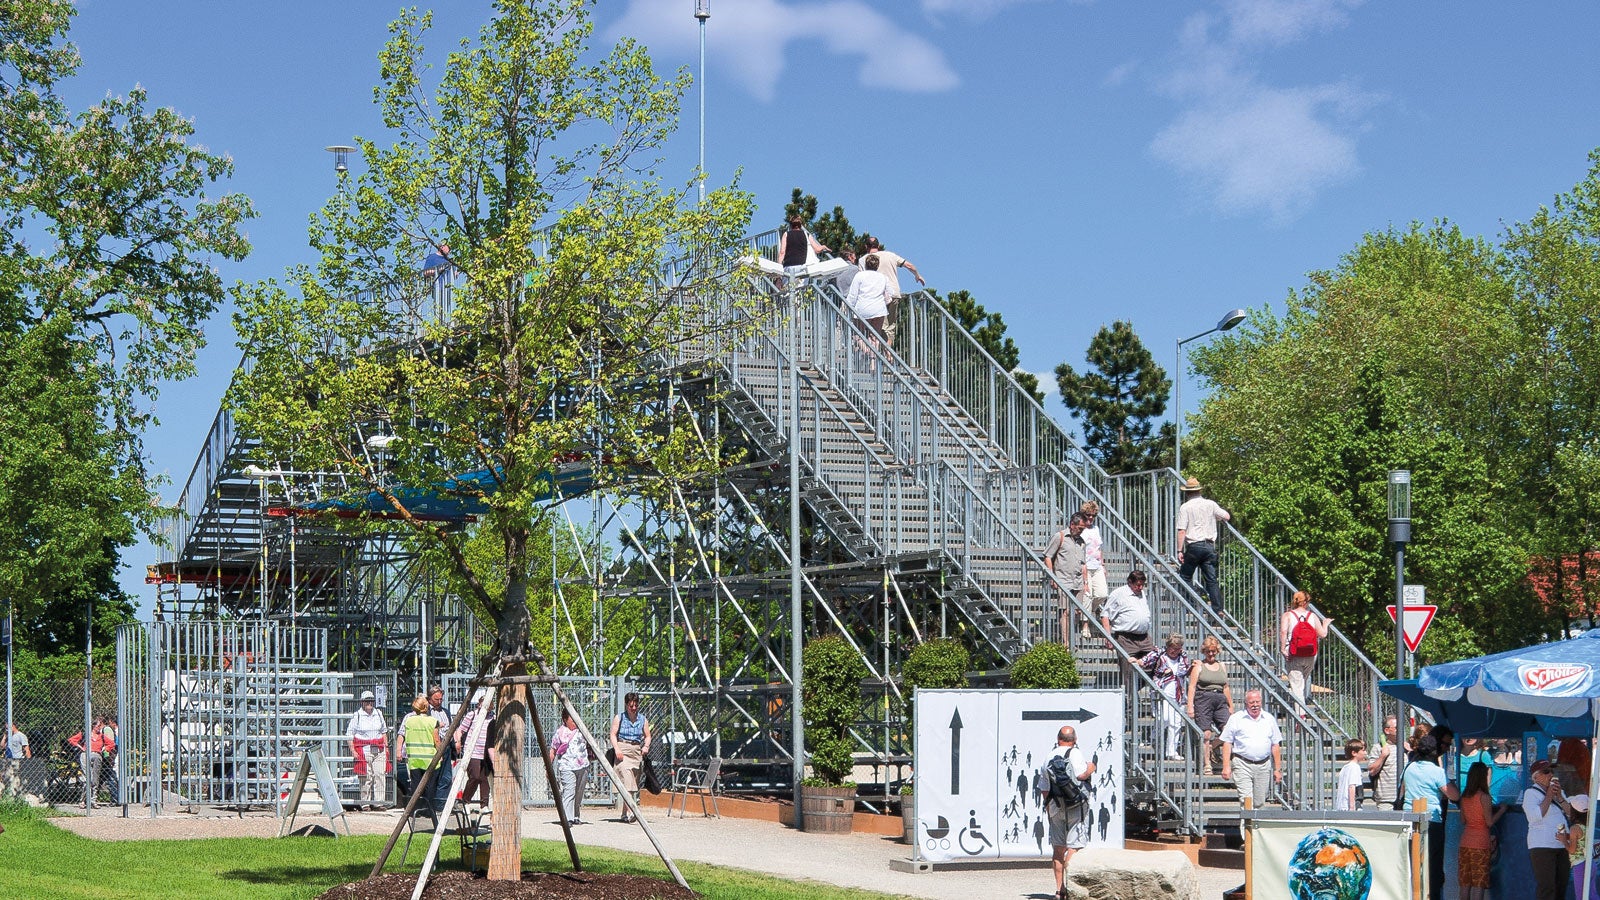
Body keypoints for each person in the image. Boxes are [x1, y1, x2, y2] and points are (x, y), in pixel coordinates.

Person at [1035, 725, 1095, 900]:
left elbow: (1044, 788)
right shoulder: (1075, 753)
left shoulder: (1049, 756)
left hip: (1055, 806)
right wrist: (1092, 767)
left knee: (1058, 849)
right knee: (1075, 847)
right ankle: (1071, 888)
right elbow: (1081, 775)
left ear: (1058, 739)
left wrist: (1048, 808)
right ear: (1075, 740)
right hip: (1076, 807)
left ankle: (1059, 890)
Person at [1405, 735, 1460, 900]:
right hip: (1431, 820)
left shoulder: (1409, 768)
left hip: (1410, 819)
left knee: (1414, 862)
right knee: (1432, 864)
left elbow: (1402, 792)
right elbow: (1454, 795)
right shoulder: (1436, 772)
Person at [1174, 477, 1230, 613]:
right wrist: (1215, 517)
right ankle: (1218, 609)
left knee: (1185, 577)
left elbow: (1182, 530)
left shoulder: (1185, 507)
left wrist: (1179, 550)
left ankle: (1194, 604)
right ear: (1199, 491)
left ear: (1187, 493)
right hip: (1209, 546)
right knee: (1211, 579)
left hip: (1194, 547)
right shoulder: (1210, 504)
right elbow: (1226, 516)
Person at [1219, 690, 1283, 809]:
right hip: (1242, 763)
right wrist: (1226, 766)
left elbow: (1275, 744)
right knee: (1246, 801)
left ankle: (1256, 827)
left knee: (1259, 802)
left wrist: (1277, 769)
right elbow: (1227, 742)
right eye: (1251, 702)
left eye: (1257, 701)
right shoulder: (1236, 719)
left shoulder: (1269, 719)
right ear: (1245, 703)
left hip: (1263, 765)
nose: (1255, 705)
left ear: (1261, 702)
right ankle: (1246, 827)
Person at [860, 235, 924, 347]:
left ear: (866, 246)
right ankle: (888, 352)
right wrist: (917, 275)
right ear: (878, 245)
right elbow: (909, 265)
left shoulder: (863, 259)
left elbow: (862, 278)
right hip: (894, 293)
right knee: (890, 326)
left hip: (878, 295)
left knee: (880, 326)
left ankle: (880, 355)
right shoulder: (890, 255)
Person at [1525, 758, 1575, 900]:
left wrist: (1559, 797)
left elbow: (1572, 814)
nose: (1551, 775)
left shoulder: (1559, 792)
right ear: (1536, 777)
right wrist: (1548, 796)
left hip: (1562, 844)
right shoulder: (1531, 793)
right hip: (1542, 846)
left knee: (1561, 885)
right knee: (1547, 887)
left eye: (1552, 771)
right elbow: (1535, 816)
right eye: (1546, 772)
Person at [1186, 636, 1234, 776]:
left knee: (1228, 731)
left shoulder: (1222, 666)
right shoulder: (1199, 666)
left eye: (1213, 651)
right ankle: (1207, 764)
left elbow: (1226, 687)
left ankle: (1216, 748)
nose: (1211, 654)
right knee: (1206, 733)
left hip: (1220, 699)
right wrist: (1190, 706)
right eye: (1208, 651)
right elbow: (1192, 687)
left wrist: (1230, 705)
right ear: (1204, 651)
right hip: (1203, 698)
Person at [1457, 760, 1504, 900]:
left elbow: (1462, 820)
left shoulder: (1464, 797)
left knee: (1465, 883)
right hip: (1481, 843)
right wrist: (1502, 810)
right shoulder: (1484, 797)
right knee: (1479, 883)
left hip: (1465, 842)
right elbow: (1489, 822)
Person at [1279, 591, 1331, 714]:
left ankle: (1301, 715)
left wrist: (1282, 648)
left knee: (1297, 685)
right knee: (1302, 681)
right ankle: (1302, 710)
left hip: (1293, 653)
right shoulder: (1312, 616)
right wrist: (1326, 624)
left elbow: (1283, 632)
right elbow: (1323, 634)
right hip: (1310, 654)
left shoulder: (1287, 615)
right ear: (1306, 602)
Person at [1140, 634, 1191, 761]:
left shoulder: (1183, 657)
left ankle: (1171, 751)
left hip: (1178, 694)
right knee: (1165, 718)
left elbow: (1185, 671)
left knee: (1176, 723)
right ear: (1167, 646)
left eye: (1177, 648)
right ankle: (1152, 737)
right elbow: (1145, 661)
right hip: (1161, 693)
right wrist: (1138, 661)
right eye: (1172, 648)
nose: (1174, 651)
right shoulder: (1159, 654)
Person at [1043, 513, 1089, 643]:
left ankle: (1071, 638)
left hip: (1078, 581)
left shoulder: (1081, 542)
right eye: (1080, 528)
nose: (1081, 531)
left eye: (1083, 529)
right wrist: (1052, 576)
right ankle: (1066, 643)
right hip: (1063, 580)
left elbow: (1083, 563)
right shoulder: (1060, 536)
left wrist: (1085, 583)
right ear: (1072, 525)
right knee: (1065, 612)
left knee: (1076, 612)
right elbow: (1048, 556)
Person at [609, 692, 652, 823]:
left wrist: (646, 746)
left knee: (632, 784)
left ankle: (624, 813)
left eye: (636, 705)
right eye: (631, 706)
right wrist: (617, 749)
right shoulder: (619, 718)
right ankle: (633, 811)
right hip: (623, 750)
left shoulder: (642, 719)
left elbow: (648, 736)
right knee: (627, 780)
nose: (633, 708)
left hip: (636, 751)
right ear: (626, 705)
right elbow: (612, 734)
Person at [1100, 570, 1155, 666]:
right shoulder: (1119, 593)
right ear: (1130, 582)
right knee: (1128, 670)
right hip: (1126, 639)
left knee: (1152, 664)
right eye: (1138, 585)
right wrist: (1108, 637)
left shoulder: (1141, 593)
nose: (1141, 587)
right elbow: (1105, 615)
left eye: (1143, 585)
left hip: (1144, 638)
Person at [346, 690, 389, 810]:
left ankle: (379, 802)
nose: (369, 703)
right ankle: (365, 802)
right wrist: (353, 750)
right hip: (363, 749)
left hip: (379, 748)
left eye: (371, 700)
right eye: (367, 701)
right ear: (362, 702)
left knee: (380, 775)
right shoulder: (357, 715)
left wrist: (386, 747)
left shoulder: (378, 713)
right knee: (366, 777)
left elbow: (384, 731)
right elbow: (350, 734)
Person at [395, 696, 440, 806]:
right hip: (429, 759)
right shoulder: (432, 721)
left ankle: (414, 808)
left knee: (415, 785)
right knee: (430, 785)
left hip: (414, 758)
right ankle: (428, 809)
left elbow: (402, 734)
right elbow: (437, 740)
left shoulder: (409, 721)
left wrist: (399, 750)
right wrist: (440, 754)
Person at [455, 689, 495, 809]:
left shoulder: (493, 717)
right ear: (479, 704)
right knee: (475, 777)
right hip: (473, 751)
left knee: (485, 779)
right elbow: (460, 730)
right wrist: (458, 741)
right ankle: (465, 801)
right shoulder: (472, 715)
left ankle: (484, 805)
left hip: (486, 752)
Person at [843, 255, 891, 352]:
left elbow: (853, 295)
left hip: (863, 309)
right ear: (877, 265)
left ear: (865, 264)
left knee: (857, 334)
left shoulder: (860, 276)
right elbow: (890, 293)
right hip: (879, 309)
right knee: (875, 337)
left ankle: (866, 351)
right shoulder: (883, 277)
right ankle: (873, 363)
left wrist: (847, 307)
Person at [551, 708, 591, 825]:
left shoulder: (582, 730)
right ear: (565, 719)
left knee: (578, 792)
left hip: (582, 765)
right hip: (567, 766)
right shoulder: (560, 732)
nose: (574, 721)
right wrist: (547, 767)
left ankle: (575, 815)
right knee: (569, 791)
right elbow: (553, 750)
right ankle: (566, 818)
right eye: (571, 719)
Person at [426, 685, 455, 808]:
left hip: (446, 747)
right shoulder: (426, 712)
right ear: (429, 699)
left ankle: (441, 805)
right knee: (433, 778)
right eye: (436, 699)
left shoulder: (445, 712)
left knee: (446, 777)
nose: (438, 702)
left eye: (440, 699)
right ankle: (429, 806)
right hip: (433, 747)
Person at [1079, 502, 1109, 619]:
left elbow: (1099, 548)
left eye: (1093, 515)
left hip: (1096, 566)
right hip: (1085, 566)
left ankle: (1091, 611)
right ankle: (1085, 625)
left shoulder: (1096, 529)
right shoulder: (1081, 529)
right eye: (1088, 514)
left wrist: (1102, 564)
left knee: (1102, 594)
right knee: (1087, 595)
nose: (1091, 517)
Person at [1368, 715, 1401, 809]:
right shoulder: (1378, 748)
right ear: (1387, 730)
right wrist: (1383, 756)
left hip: (1404, 798)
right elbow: (1372, 770)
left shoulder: (1406, 747)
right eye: (1396, 727)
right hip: (1386, 799)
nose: (1400, 730)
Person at [1335, 739, 1367, 811]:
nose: (1365, 753)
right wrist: (1352, 808)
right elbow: (1351, 787)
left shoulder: (1345, 767)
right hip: (1348, 807)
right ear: (1354, 753)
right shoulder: (1355, 767)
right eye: (1362, 750)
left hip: (1341, 807)